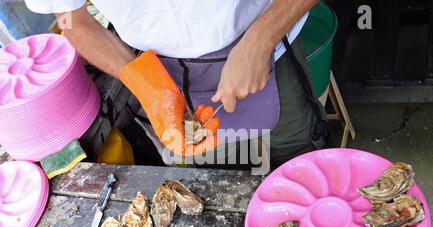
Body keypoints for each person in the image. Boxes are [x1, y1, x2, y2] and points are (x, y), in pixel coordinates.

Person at [25, 0, 329, 169]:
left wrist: (261, 40)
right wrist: (147, 86)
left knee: (300, 157)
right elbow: (70, 20)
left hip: (268, 48)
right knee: (209, 178)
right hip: (162, 71)